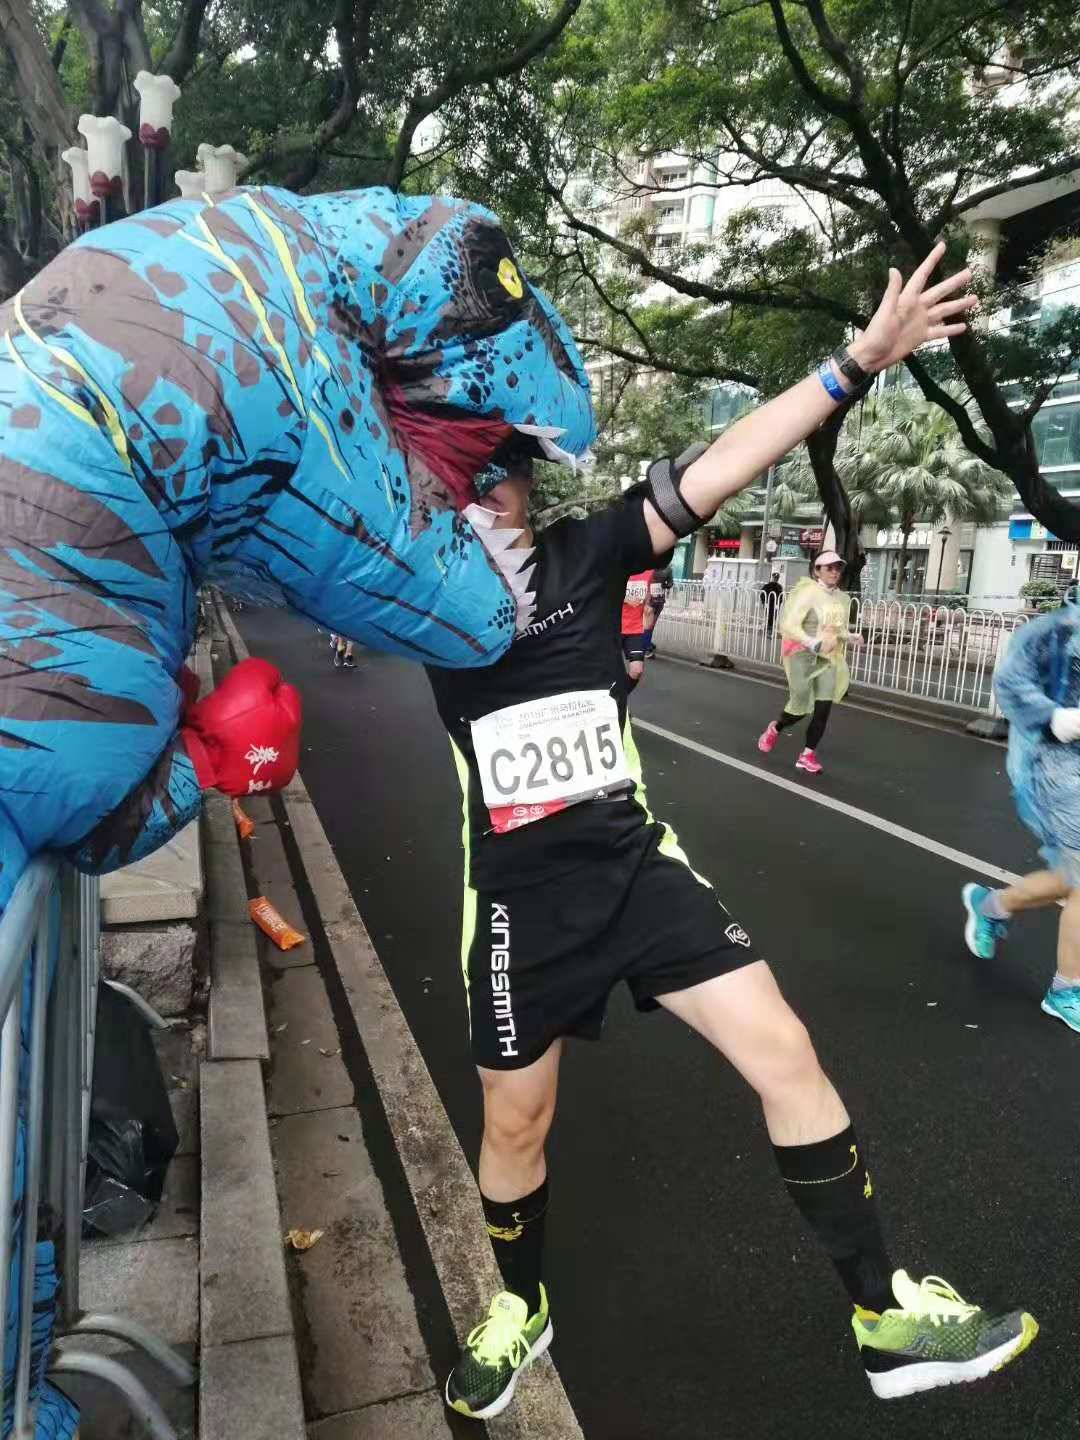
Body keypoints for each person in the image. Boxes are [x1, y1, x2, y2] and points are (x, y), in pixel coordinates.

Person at [424, 245, 1035, 1423]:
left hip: (634, 871)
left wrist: (859, 360)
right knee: (517, 1122)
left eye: (498, 475)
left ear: (526, 488)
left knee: (786, 1053)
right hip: (514, 903)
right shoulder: (416, 602)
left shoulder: (587, 556)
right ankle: (519, 1305)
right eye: (459, 478)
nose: (481, 494)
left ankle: (882, 1316)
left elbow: (723, 461)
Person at [962, 587, 1080, 1032]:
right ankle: (1067, 989)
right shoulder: (1057, 629)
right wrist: (1054, 716)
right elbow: (1011, 681)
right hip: (1059, 766)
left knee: (1071, 880)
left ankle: (991, 906)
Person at [756, 551, 862, 775]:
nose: (834, 572)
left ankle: (807, 755)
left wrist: (849, 636)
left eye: (838, 568)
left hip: (828, 658)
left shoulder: (842, 598)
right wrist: (811, 642)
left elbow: (836, 628)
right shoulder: (807, 593)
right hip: (802, 655)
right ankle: (776, 727)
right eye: (829, 568)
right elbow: (789, 626)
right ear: (817, 571)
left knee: (823, 708)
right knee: (801, 706)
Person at [620, 569, 653, 690]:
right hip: (612, 628)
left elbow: (647, 591)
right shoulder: (618, 564)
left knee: (637, 670)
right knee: (607, 670)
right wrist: (626, 599)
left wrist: (648, 606)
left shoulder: (649, 571)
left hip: (634, 629)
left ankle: (621, 697)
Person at [644, 566, 673, 656]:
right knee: (649, 625)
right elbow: (670, 584)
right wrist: (665, 584)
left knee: (648, 624)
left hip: (654, 601)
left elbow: (670, 583)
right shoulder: (668, 569)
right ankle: (646, 645)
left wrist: (665, 585)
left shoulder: (649, 565)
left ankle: (646, 645)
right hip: (654, 600)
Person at [760, 570, 784, 635]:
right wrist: (764, 602)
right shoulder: (768, 585)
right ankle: (768, 629)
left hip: (775, 604)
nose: (775, 579)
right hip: (769, 603)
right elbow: (762, 594)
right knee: (769, 616)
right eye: (775, 578)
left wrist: (779, 604)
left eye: (777, 578)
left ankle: (768, 628)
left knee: (774, 617)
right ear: (772, 577)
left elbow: (781, 596)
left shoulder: (779, 586)